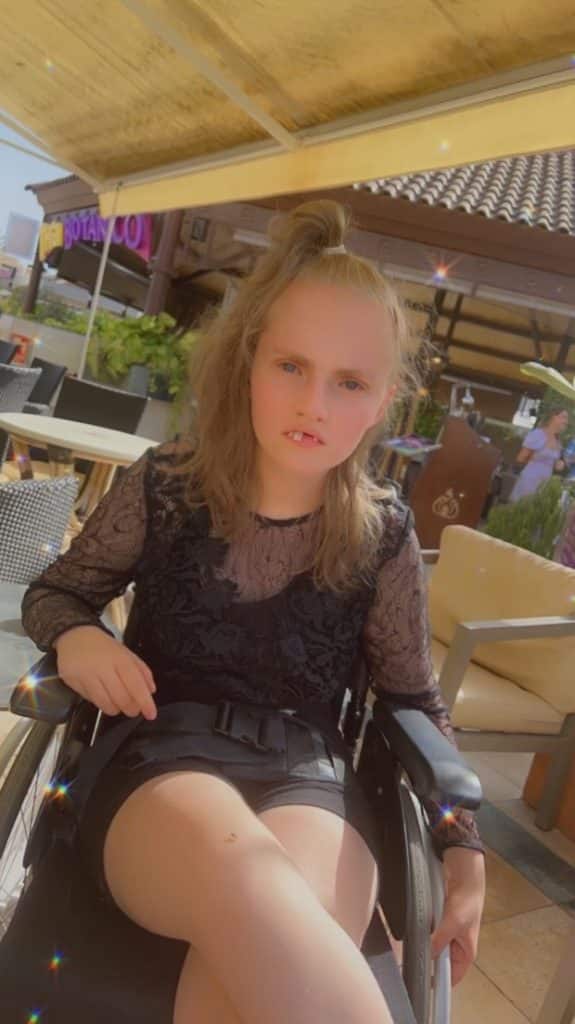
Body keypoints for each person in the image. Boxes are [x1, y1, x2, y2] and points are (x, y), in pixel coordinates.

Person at [21, 201, 485, 1024]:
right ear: (249, 364)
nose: (314, 403)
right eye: (291, 366)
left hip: (311, 780)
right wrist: (81, 634)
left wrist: (463, 848)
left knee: (263, 965)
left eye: (348, 382)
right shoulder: (168, 486)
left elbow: (412, 698)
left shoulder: (381, 534)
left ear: (382, 401)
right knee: (252, 881)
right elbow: (55, 591)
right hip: (162, 763)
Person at [510, 408, 568, 501]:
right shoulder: (538, 434)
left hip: (544, 484)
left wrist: (559, 465)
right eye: (563, 417)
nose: (566, 421)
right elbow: (520, 458)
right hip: (529, 480)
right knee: (522, 506)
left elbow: (556, 466)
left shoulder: (558, 442)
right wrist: (535, 461)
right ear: (554, 417)